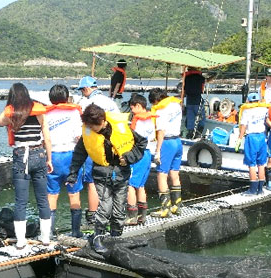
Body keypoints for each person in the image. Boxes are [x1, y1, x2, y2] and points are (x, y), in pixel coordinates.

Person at [66, 104, 147, 254]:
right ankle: (98, 236)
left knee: (118, 211)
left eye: (93, 125)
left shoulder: (121, 128)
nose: (91, 128)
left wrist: (129, 158)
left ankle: (116, 237)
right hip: (101, 175)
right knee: (105, 207)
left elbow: (142, 143)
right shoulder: (88, 134)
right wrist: (72, 174)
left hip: (121, 174)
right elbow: (79, 154)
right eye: (88, 125)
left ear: (103, 121)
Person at [0, 83, 52, 250]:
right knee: (43, 199)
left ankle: (20, 241)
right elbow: (47, 139)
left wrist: (10, 106)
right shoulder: (39, 112)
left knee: (20, 201)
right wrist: (49, 160)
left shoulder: (11, 114)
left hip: (21, 156)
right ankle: (45, 238)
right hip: (39, 154)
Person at [77, 76, 120, 228]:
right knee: (112, 183)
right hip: (113, 148)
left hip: (95, 147)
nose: (82, 93)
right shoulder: (109, 101)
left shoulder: (88, 103)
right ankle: (112, 217)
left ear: (87, 88)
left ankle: (93, 218)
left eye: (82, 90)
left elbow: (83, 130)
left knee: (92, 183)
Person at [45, 84, 84, 238]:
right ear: (67, 98)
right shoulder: (74, 111)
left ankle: (48, 233)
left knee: (51, 194)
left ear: (51, 98)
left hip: (52, 156)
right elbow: (78, 136)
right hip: (70, 156)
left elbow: (43, 139)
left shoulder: (45, 114)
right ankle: (75, 232)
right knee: (74, 193)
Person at [149, 88, 183, 218]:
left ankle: (164, 209)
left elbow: (161, 131)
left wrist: (157, 151)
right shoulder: (176, 105)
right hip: (178, 142)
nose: (153, 106)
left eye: (153, 103)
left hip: (167, 143)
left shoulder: (161, 110)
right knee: (174, 174)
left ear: (157, 100)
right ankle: (176, 206)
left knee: (161, 175)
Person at [125, 93, 157, 226]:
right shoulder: (150, 119)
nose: (132, 111)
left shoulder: (139, 121)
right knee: (141, 185)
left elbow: (134, 139)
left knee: (130, 185)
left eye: (132, 108)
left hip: (139, 154)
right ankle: (142, 216)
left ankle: (132, 217)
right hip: (148, 154)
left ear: (138, 106)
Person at [235, 93, 269, 195]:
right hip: (262, 137)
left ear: (249, 101)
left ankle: (253, 190)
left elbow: (244, 126)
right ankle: (261, 190)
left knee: (252, 164)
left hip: (252, 137)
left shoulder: (246, 111)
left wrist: (239, 139)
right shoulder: (264, 109)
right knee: (261, 164)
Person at [183, 67, 205, 138]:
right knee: (201, 117)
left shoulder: (187, 77)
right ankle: (199, 132)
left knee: (190, 118)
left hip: (189, 101)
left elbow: (185, 90)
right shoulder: (199, 77)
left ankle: (190, 133)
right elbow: (206, 80)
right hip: (197, 101)